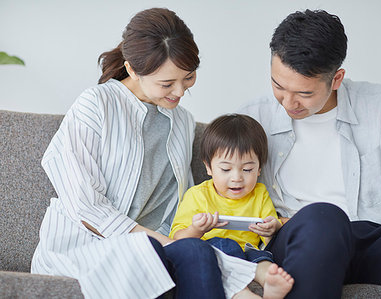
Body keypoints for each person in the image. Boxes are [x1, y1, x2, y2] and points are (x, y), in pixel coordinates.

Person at [31, 8, 256, 299]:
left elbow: (173, 205)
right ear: (133, 70)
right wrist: (160, 242)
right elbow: (86, 206)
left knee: (196, 250)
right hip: (83, 247)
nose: (179, 91)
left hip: (155, 246)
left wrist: (180, 237)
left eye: (188, 78)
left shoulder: (182, 122)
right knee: (156, 253)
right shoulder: (96, 105)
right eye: (167, 83)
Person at [239, 9, 381, 299]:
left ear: (336, 79)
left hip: (376, 240)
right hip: (304, 242)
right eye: (278, 85)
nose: (288, 102)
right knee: (324, 217)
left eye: (304, 93)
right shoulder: (252, 118)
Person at [170, 114, 294, 299]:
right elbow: (177, 238)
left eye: (247, 169)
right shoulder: (197, 195)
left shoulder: (259, 193)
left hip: (248, 251)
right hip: (214, 252)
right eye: (226, 169)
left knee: (261, 257)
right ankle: (241, 293)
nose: (237, 177)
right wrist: (197, 229)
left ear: (259, 169)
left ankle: (270, 282)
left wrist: (272, 227)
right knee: (225, 244)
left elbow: (270, 233)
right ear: (209, 168)